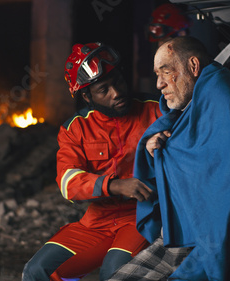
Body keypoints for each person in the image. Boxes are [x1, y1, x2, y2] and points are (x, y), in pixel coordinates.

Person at [109, 36, 230, 280]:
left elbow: (227, 204)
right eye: (157, 74)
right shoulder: (199, 101)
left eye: (165, 72)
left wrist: (191, 271)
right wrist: (157, 151)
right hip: (185, 235)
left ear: (193, 67)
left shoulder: (223, 102)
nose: (159, 85)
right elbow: (194, 159)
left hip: (212, 244)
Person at [22, 42, 162, 281]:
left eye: (117, 81)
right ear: (87, 96)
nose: (116, 93)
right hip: (97, 221)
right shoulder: (75, 129)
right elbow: (68, 182)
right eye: (103, 90)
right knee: (37, 272)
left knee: (114, 272)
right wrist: (115, 185)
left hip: (142, 216)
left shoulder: (157, 109)